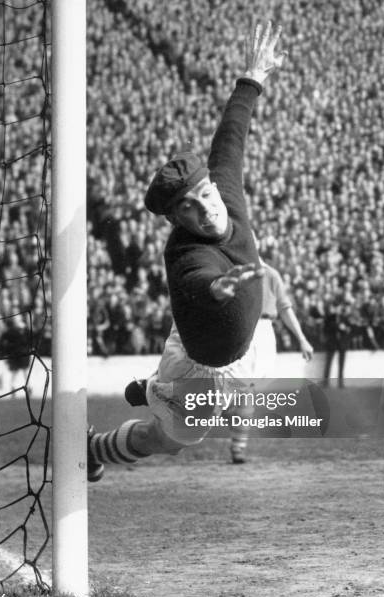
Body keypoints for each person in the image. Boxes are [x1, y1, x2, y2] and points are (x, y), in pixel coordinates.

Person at [87, 19, 287, 482]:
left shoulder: (226, 193)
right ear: (177, 219)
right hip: (201, 365)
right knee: (169, 443)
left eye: (206, 195)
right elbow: (197, 281)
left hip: (247, 341)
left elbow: (231, 139)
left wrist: (253, 77)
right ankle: (99, 443)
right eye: (189, 208)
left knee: (256, 393)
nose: (206, 210)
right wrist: (220, 287)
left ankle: (152, 389)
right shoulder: (184, 253)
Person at [229, 259, 314, 463]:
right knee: (234, 389)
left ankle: (238, 446)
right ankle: (235, 435)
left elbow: (285, 308)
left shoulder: (271, 274)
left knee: (247, 390)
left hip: (264, 331)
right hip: (240, 328)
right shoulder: (233, 271)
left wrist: (302, 339)